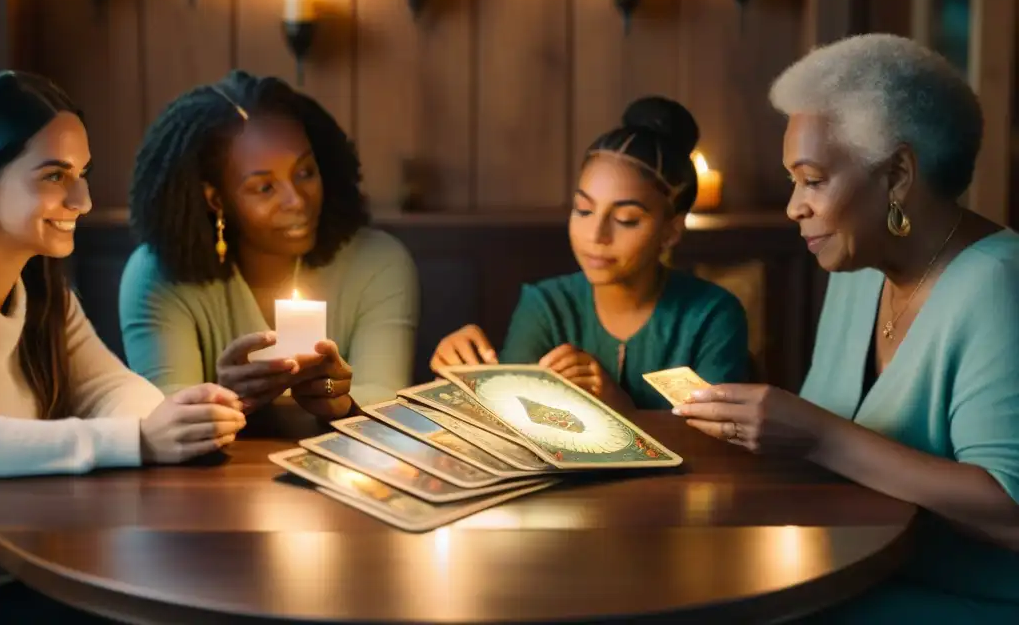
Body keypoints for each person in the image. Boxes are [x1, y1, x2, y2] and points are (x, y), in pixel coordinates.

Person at [675, 34, 1019, 622]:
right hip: (842, 572)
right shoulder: (858, 267)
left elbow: (1009, 515)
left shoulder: (997, 285)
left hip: (962, 600)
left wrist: (818, 435)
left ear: (898, 176)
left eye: (812, 180)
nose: (793, 207)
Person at [0, 71, 244, 614]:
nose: (83, 200)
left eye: (82, 174)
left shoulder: (41, 291)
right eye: (56, 176)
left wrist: (174, 418)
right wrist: (139, 440)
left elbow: (109, 386)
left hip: (32, 566)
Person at [118, 71, 419, 421]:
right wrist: (230, 397)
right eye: (265, 188)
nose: (297, 200)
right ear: (215, 199)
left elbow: (385, 402)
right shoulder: (157, 275)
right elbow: (163, 415)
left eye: (305, 172)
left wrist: (335, 398)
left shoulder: (377, 262)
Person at [431, 97, 750, 411]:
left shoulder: (711, 316)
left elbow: (720, 443)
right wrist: (462, 378)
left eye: (626, 220)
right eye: (583, 211)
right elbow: (510, 419)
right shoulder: (546, 305)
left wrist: (618, 405)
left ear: (671, 231)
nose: (596, 236)